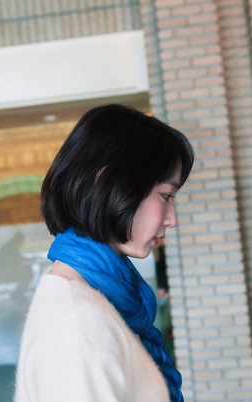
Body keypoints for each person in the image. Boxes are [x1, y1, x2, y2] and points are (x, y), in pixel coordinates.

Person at [14, 104, 194, 402]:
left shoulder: (91, 299)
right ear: (107, 182)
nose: (171, 219)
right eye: (166, 195)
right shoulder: (79, 324)